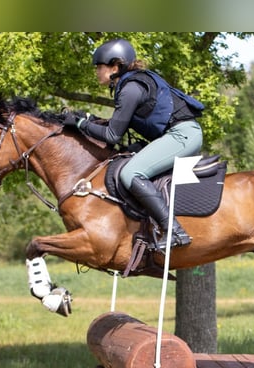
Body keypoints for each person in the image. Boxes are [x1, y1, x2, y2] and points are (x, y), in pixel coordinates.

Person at [65, 38, 204, 250]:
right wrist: (89, 120)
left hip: (182, 135)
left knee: (130, 173)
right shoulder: (130, 84)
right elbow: (117, 125)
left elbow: (112, 135)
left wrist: (81, 124)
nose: (96, 71)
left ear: (115, 66)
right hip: (176, 135)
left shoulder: (130, 88)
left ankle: (173, 230)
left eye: (99, 66)